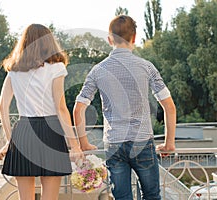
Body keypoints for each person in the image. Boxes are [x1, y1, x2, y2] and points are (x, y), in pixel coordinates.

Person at [73, 15, 176, 200]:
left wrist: (83, 143)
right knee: (152, 195)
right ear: (134, 38)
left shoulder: (97, 70)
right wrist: (169, 142)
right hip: (142, 141)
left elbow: (78, 108)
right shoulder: (147, 67)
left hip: (114, 143)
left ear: (109, 39)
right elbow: (169, 106)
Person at [0, 24, 83, 200]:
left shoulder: (14, 69)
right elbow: (60, 108)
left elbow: (2, 106)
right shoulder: (56, 67)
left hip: (23, 132)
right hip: (50, 131)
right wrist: (74, 145)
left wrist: (9, 140)